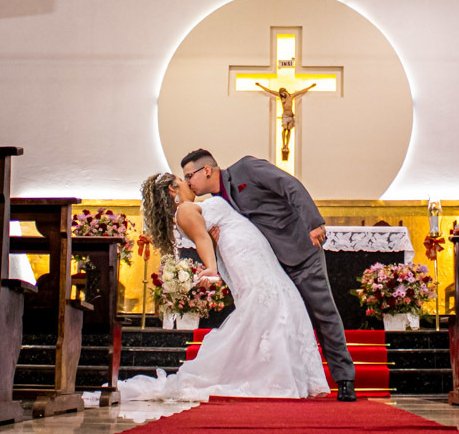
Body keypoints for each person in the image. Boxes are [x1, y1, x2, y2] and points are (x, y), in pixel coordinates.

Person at [120, 172, 330, 402]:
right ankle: (272, 378)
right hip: (244, 255)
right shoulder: (184, 210)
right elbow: (201, 238)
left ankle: (280, 376)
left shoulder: (190, 209)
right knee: (268, 304)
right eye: (182, 180)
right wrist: (211, 268)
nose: (187, 182)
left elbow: (208, 234)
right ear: (172, 189)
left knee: (279, 301)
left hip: (252, 251)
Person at [180, 149, 358, 402]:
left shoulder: (247, 168)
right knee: (283, 320)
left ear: (206, 170)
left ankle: (345, 380)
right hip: (269, 263)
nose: (188, 182)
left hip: (299, 251)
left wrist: (314, 222)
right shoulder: (217, 201)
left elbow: (290, 185)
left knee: (322, 313)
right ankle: (289, 381)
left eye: (190, 176)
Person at [255, 82, 316, 160]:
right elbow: (270, 91)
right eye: (281, 94)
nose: (282, 95)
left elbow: (301, 91)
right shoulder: (281, 97)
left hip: (291, 116)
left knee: (289, 129)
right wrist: (260, 85)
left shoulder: (291, 96)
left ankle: (287, 145)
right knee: (285, 129)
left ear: (285, 92)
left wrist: (311, 86)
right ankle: (283, 144)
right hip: (285, 116)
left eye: (283, 93)